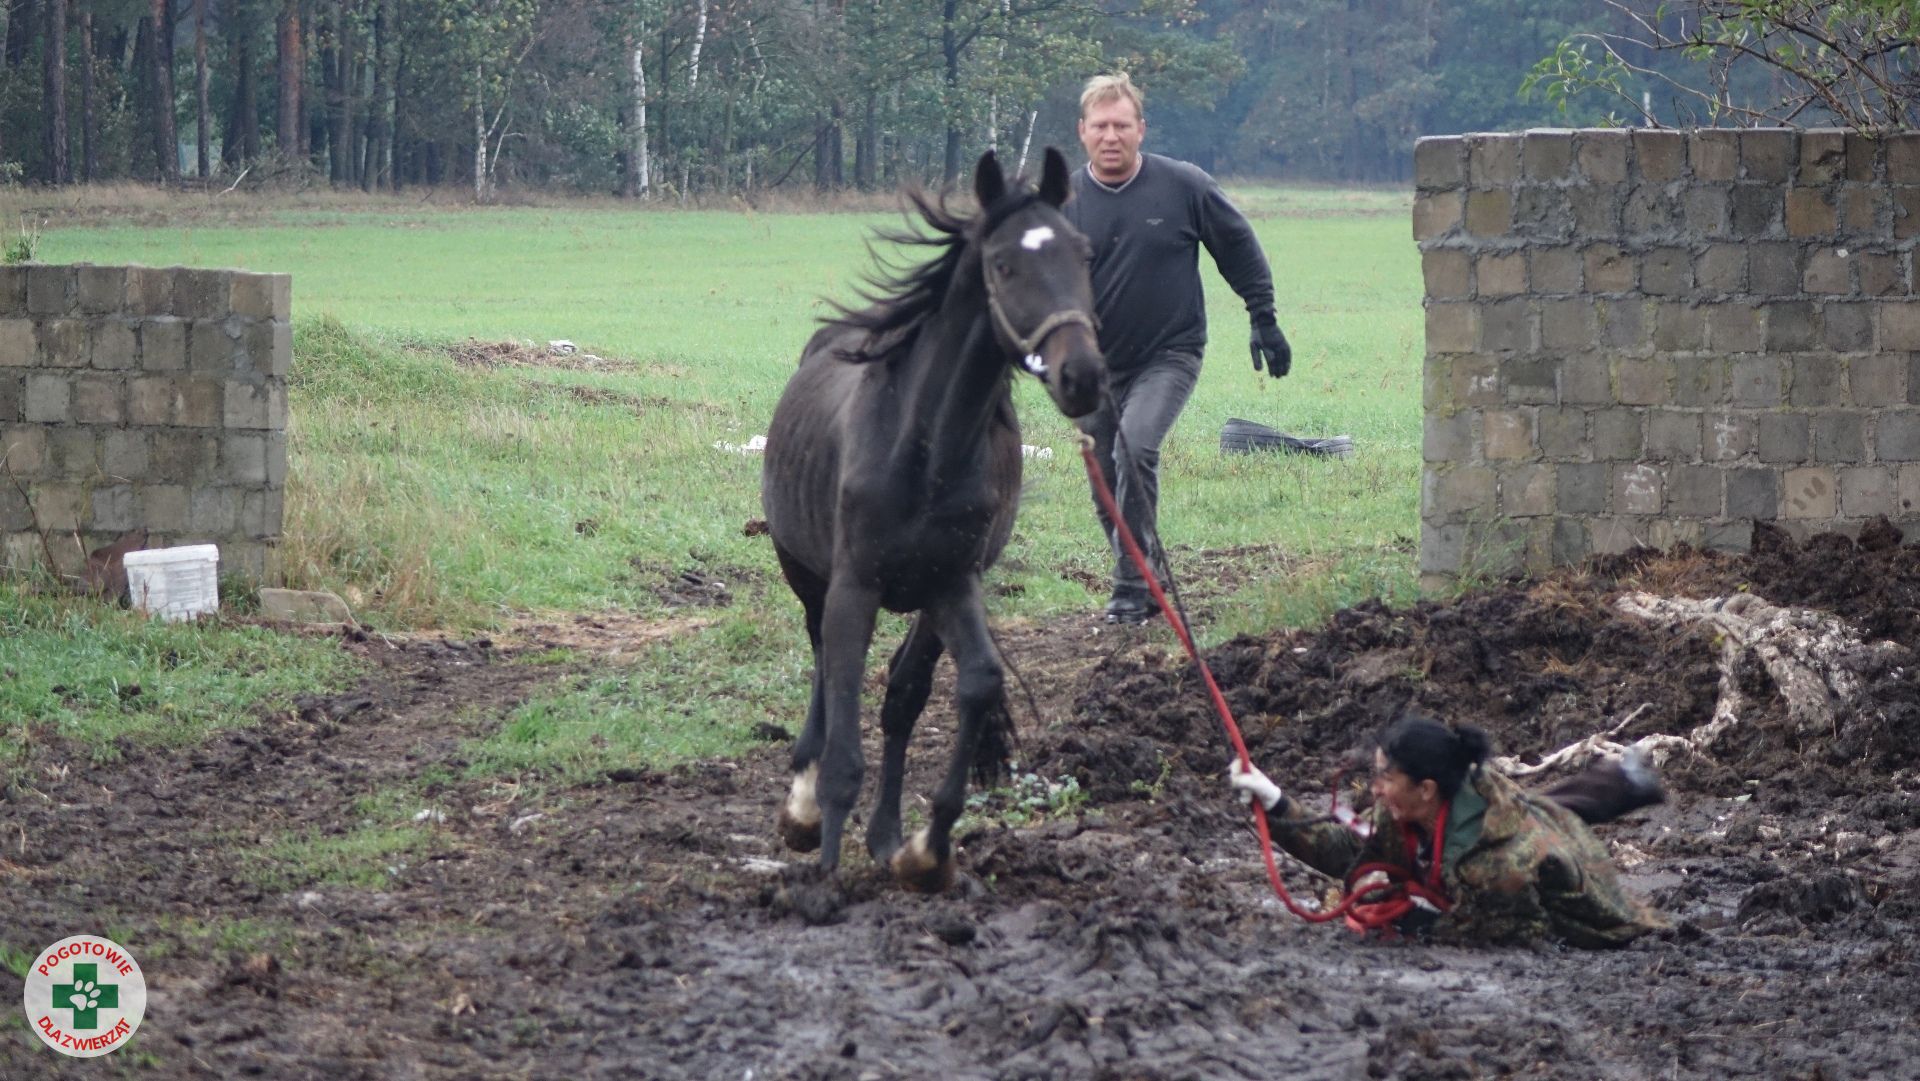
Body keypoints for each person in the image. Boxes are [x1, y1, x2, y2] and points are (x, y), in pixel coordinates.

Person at [1065, 72, 1292, 624]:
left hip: (1170, 352)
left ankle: (1129, 588)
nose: (1111, 136)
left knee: (1136, 448)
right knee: (1105, 476)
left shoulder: (1184, 186)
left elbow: (1238, 247)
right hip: (1094, 365)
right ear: (1083, 132)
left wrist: (1263, 318)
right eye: (1101, 126)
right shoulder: (1064, 201)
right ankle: (1147, 573)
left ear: (1142, 129)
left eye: (1122, 125)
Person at [1227, 712, 1668, 947]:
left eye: (1385, 777)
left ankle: (1626, 781)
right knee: (1539, 807)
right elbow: (1351, 853)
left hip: (1583, 916)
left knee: (1544, 827)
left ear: (1426, 788)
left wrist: (1418, 923)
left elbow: (1516, 932)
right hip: (1511, 840)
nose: (1374, 789)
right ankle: (1621, 779)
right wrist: (1277, 804)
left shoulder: (1500, 862)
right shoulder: (1415, 805)